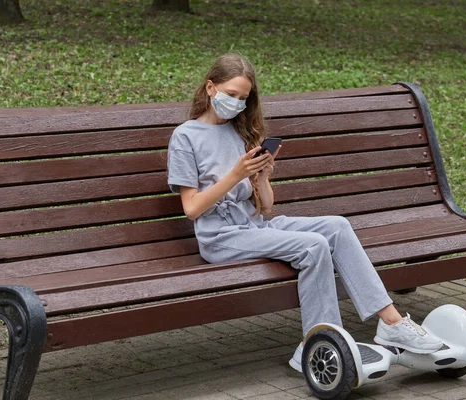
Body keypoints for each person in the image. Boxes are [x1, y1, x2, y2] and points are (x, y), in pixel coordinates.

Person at [167, 53, 443, 372]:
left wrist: (262, 176)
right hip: (220, 236)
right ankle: (317, 343)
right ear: (210, 87)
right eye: (231, 95)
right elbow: (191, 209)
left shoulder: (237, 133)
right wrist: (236, 174)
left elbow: (266, 207)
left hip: (253, 225)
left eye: (243, 98)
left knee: (336, 227)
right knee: (312, 245)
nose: (237, 103)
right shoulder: (185, 137)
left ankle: (392, 324)